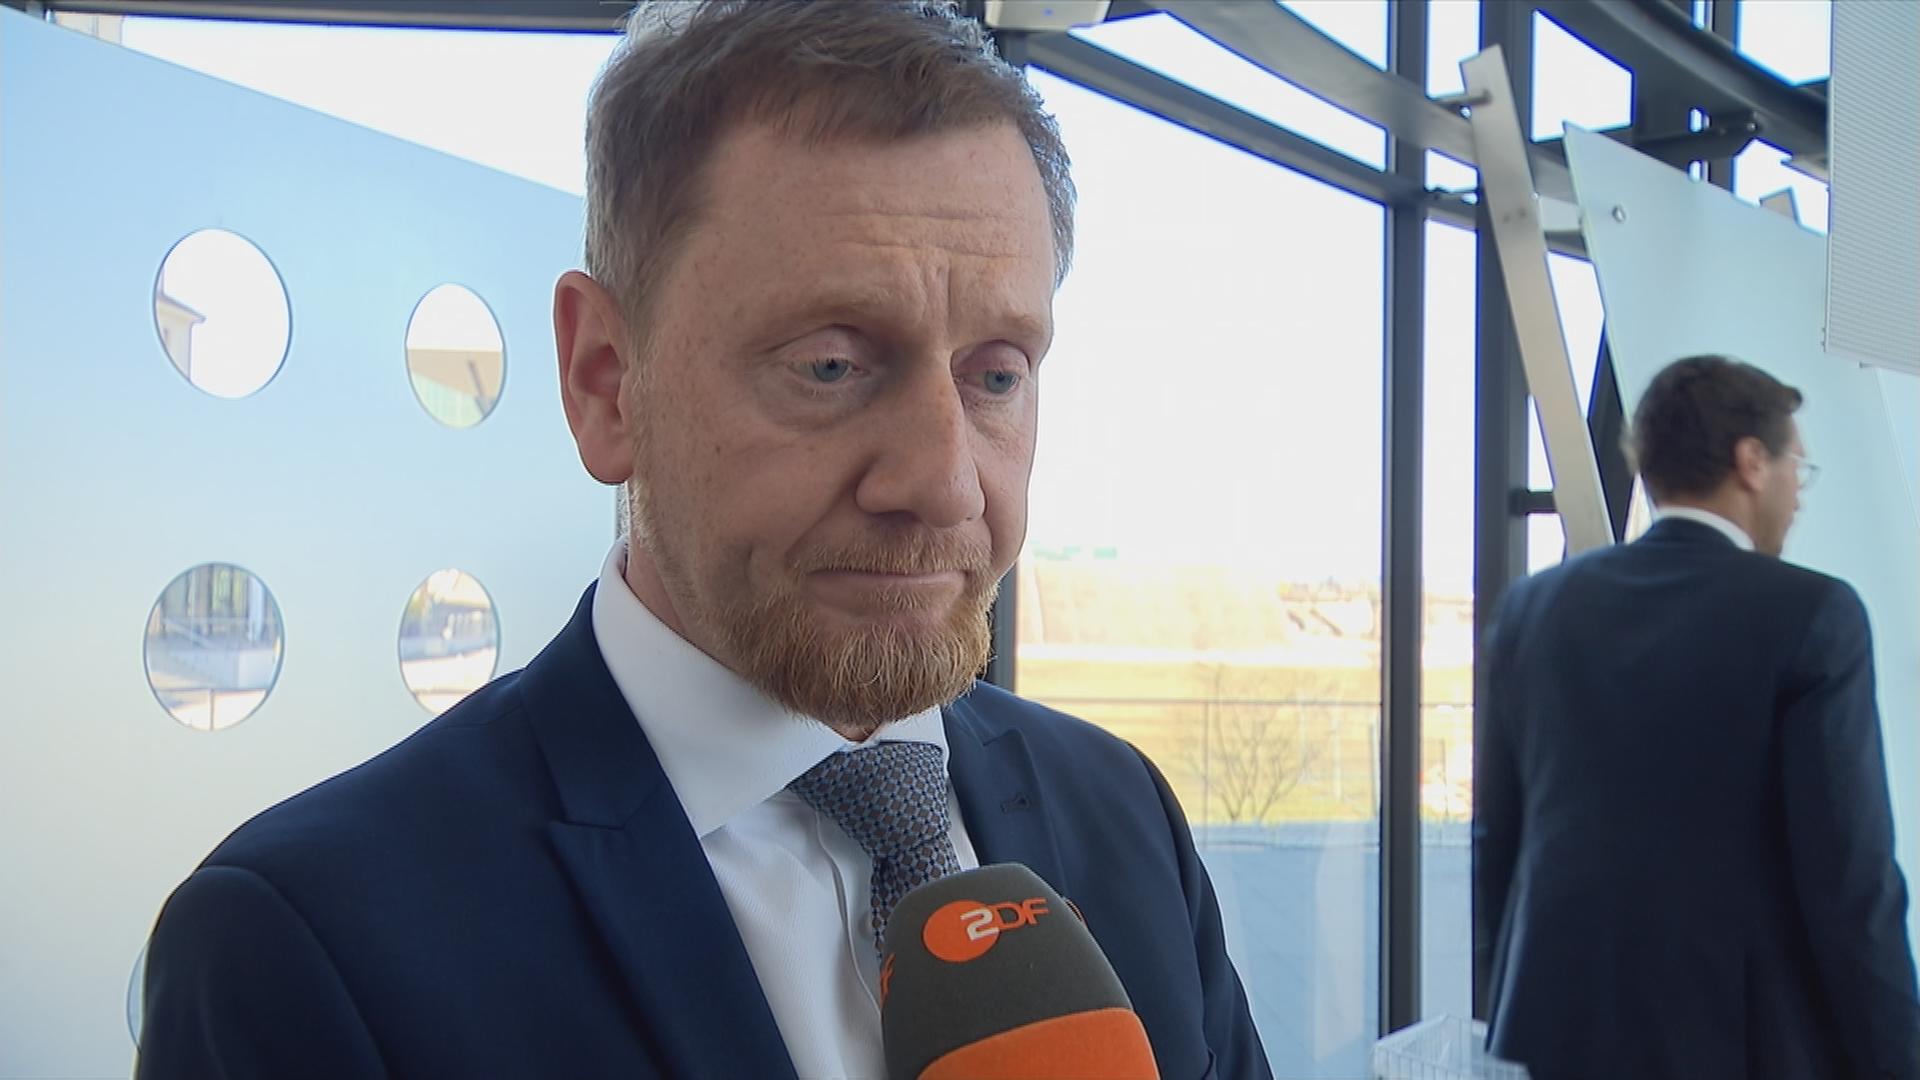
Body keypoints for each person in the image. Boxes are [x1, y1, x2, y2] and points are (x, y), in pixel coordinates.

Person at [133, 3, 1270, 1078]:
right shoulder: (306, 944)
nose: (943, 482)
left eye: (998, 376)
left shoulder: (1124, 813)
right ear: (606, 380)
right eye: (831, 363)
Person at [1475, 354, 1920, 1080]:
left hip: (1564, 1034)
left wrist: (1515, 1003)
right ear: (1751, 463)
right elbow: (1848, 881)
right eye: (1797, 469)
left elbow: (1500, 839)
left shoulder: (1535, 608)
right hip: (1742, 1045)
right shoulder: (1812, 614)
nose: (1798, 497)